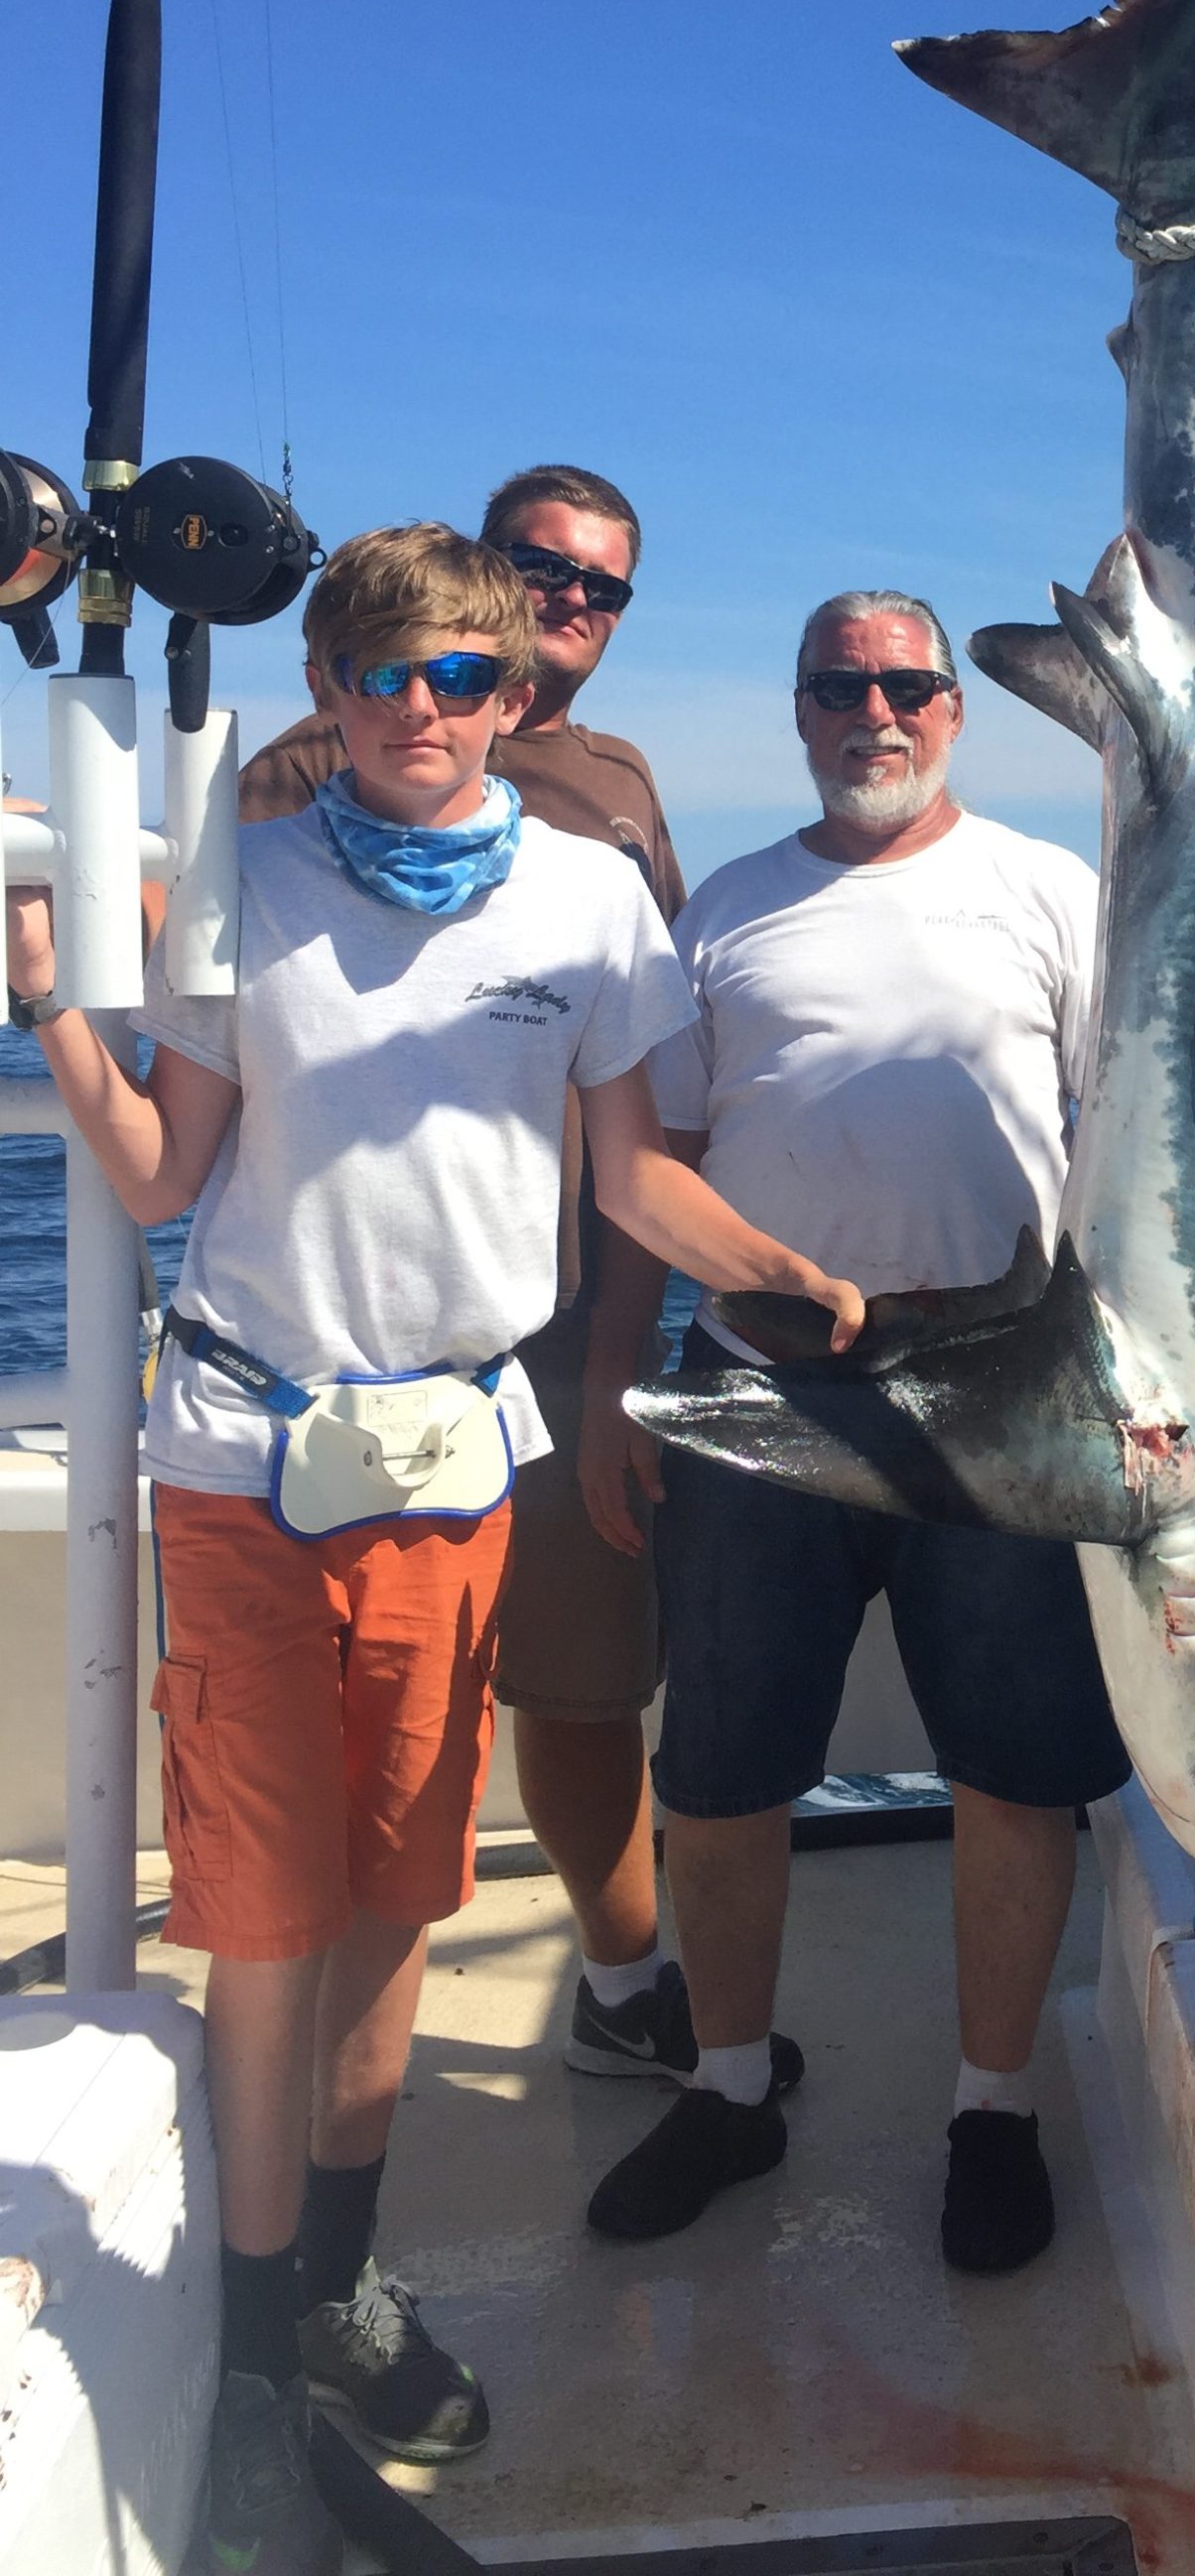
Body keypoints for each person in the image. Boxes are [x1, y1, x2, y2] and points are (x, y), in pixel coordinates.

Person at [5, 525, 862, 2576]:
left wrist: (801, 1284)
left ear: (518, 696)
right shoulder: (253, 884)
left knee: (397, 1892)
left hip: (453, 1464)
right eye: (382, 674)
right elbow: (170, 1166)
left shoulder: (588, 902)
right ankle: (253, 2331)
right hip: (243, 1454)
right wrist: (54, 1017)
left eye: (461, 677)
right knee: (277, 1909)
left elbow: (637, 1175)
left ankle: (333, 2288)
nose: (421, 710)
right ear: (327, 689)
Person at [581, 588, 1129, 2276]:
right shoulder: (725, 914)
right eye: (841, 687)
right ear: (800, 711)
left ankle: (992, 2107)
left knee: (1014, 1772)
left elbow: (1127, 1150)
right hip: (756, 1393)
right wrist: (621, 1385)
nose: (876, 713)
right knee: (726, 1772)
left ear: (958, 712)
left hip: (1002, 1395)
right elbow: (646, 1174)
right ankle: (731, 2088)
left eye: (908, 686)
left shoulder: (1055, 892)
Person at [243, 468, 699, 2093]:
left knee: (581, 1681)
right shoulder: (316, 757)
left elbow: (654, 1092)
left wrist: (619, 1370)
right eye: (543, 572)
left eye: (604, 589)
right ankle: (299, 2046)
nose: (572, 602)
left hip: (571, 1312)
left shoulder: (628, 782)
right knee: (357, 1728)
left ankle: (622, 1975)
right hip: (357, 1341)